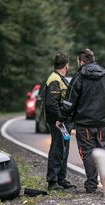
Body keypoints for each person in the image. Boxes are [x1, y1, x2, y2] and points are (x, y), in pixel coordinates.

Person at [60, 49, 105, 193]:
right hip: (104, 124)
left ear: (82, 61)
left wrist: (61, 118)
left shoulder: (78, 77)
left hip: (84, 125)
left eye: (78, 61)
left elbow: (69, 103)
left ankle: (91, 185)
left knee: (88, 153)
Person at [45, 53, 76, 190]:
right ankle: (52, 181)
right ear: (66, 65)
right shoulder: (54, 80)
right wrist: (60, 119)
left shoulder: (60, 79)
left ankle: (61, 179)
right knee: (57, 150)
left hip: (63, 122)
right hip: (58, 123)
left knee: (64, 151)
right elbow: (51, 104)